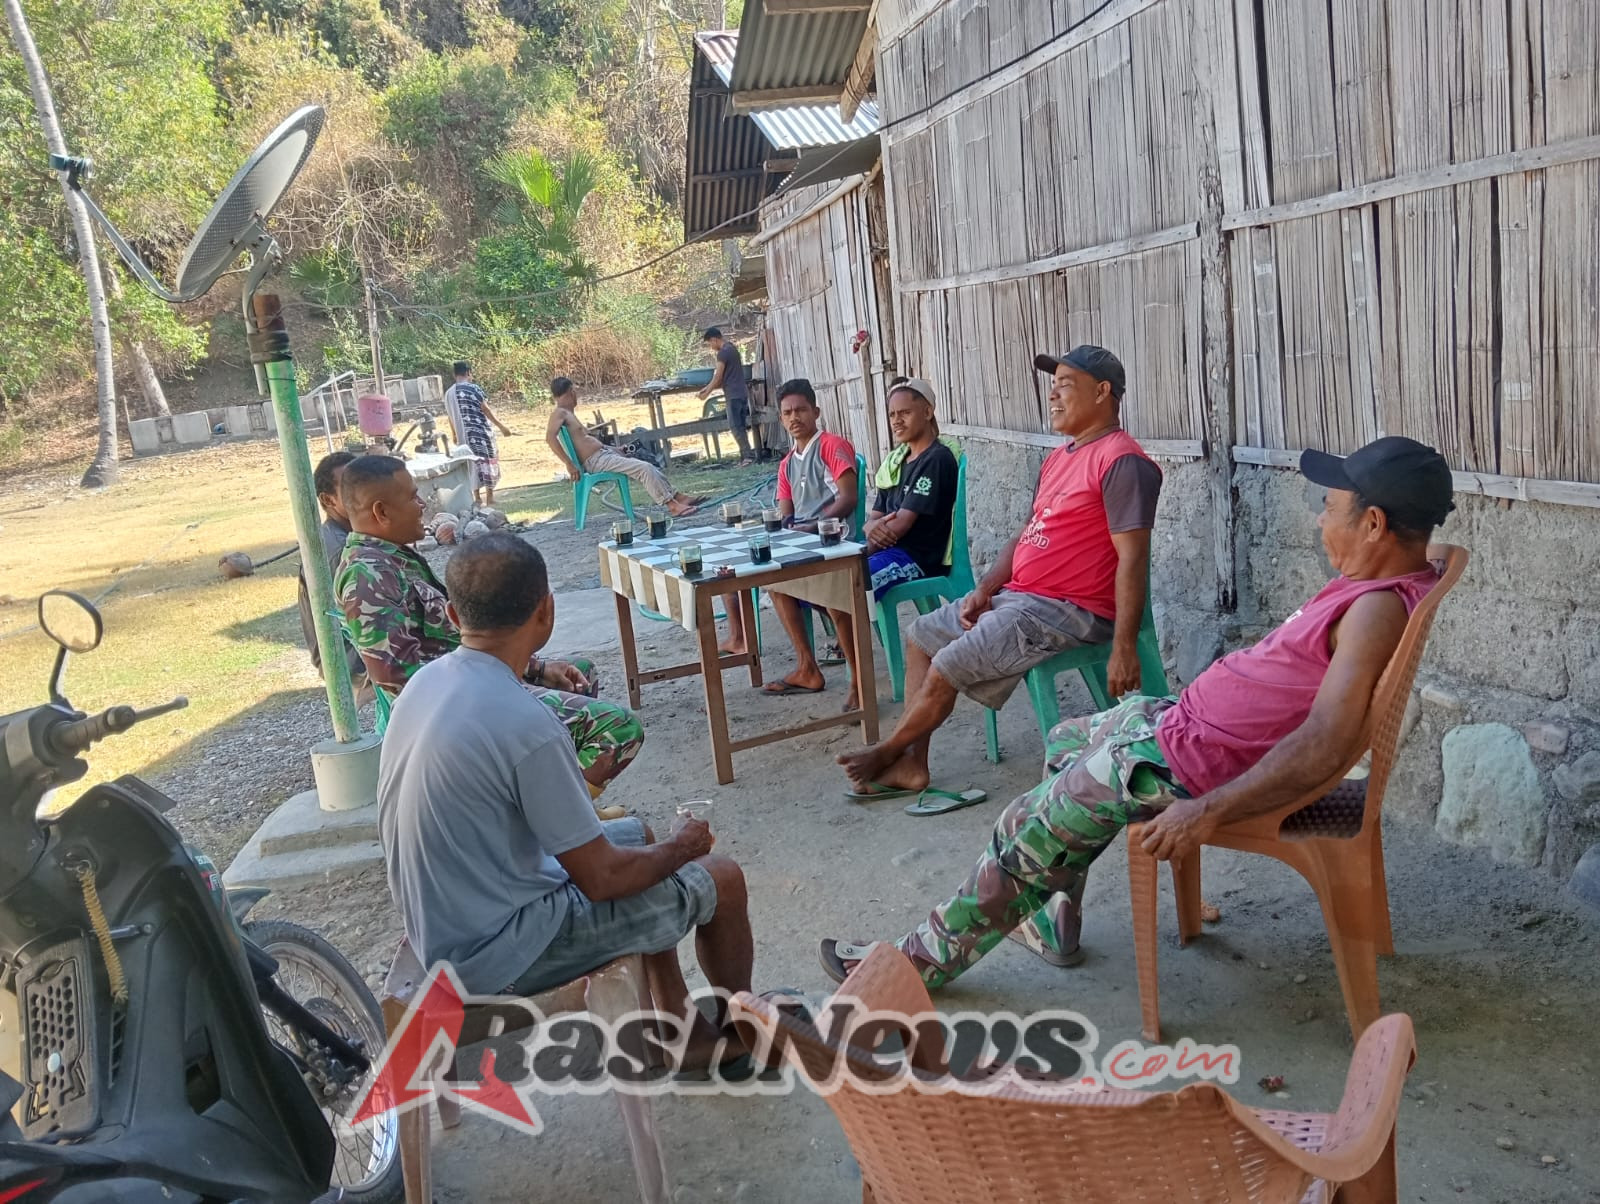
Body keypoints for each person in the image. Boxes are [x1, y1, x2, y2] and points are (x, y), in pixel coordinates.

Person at [819, 435, 1457, 985]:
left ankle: (912, 962)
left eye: (1331, 508)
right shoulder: (1376, 583)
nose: (1322, 521)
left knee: (1023, 822)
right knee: (1069, 740)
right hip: (1185, 730)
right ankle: (1049, 914)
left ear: (1373, 523)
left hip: (1192, 765)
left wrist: (1204, 811)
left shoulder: (1376, 608)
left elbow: (1327, 742)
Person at [377, 535, 755, 1069]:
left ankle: (681, 1026)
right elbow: (603, 879)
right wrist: (683, 847)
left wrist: (660, 852)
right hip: (500, 952)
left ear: (454, 612)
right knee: (721, 876)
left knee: (638, 836)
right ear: (546, 610)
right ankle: (740, 1032)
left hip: (445, 920)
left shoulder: (425, 684)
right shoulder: (527, 723)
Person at [838, 346, 1162, 813]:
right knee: (920, 636)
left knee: (948, 662)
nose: (1052, 394)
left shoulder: (1121, 462)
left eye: (1066, 385)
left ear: (1103, 392)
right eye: (1053, 385)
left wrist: (1125, 646)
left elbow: (1132, 559)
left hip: (1068, 610)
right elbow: (1028, 533)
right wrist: (984, 590)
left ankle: (888, 751)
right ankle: (910, 764)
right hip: (1020, 597)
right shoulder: (1061, 457)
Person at [334, 455, 643, 806]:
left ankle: (553, 806)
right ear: (381, 512)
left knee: (578, 676)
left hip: (474, 689)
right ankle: (555, 823)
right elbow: (398, 681)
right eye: (411, 497)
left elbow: (468, 642)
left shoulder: (392, 560)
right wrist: (499, 697)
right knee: (619, 729)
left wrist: (535, 669)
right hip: (456, 716)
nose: (422, 505)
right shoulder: (367, 575)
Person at [762, 378, 959, 713]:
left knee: (842, 590)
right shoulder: (897, 460)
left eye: (905, 413)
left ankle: (860, 683)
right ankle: (808, 667)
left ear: (927, 412)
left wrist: (881, 527)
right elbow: (873, 519)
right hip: (883, 548)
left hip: (914, 557)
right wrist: (877, 527)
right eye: (892, 414)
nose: (897, 420)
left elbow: (902, 524)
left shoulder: (936, 459)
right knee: (783, 580)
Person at [721, 379, 859, 658]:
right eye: (787, 413)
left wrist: (814, 526)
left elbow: (849, 498)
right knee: (733, 567)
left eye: (801, 410)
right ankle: (740, 638)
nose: (795, 417)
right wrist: (786, 529)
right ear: (781, 419)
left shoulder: (831, 445)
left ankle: (827, 644)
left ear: (816, 412)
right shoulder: (786, 464)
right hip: (802, 539)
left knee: (775, 579)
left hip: (833, 539)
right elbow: (786, 516)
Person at [546, 377, 704, 516]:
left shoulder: (568, 414)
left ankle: (678, 497)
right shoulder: (559, 413)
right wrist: (569, 463)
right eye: (575, 392)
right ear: (571, 392)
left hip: (603, 455)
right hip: (595, 461)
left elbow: (585, 442)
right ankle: (672, 506)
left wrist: (616, 450)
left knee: (649, 466)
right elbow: (550, 438)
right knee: (644, 469)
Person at [297, 451, 370, 700]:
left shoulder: (348, 536)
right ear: (328, 500)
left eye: (364, 483)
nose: (363, 494)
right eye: (350, 488)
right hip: (351, 663)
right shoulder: (342, 551)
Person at [443, 361, 514, 507]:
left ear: (454, 374)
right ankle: (490, 497)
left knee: (471, 465)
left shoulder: (448, 393)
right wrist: (501, 427)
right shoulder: (474, 388)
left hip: (463, 436)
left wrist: (454, 434)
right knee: (487, 462)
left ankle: (477, 498)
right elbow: (485, 409)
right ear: (468, 373)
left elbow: (450, 416)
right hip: (480, 433)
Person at [698, 327, 754, 465]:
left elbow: (718, 377)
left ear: (714, 339)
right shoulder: (732, 349)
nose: (711, 347)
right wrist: (707, 388)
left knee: (735, 427)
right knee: (741, 426)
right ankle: (746, 456)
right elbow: (725, 377)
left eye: (710, 344)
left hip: (733, 394)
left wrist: (706, 393)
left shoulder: (723, 353)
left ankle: (747, 457)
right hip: (741, 392)